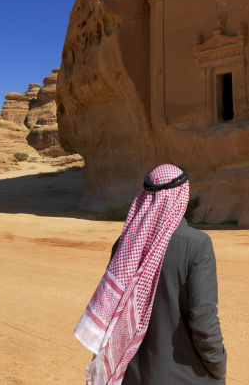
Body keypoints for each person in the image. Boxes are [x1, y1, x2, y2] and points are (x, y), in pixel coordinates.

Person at [74, 164, 227, 385]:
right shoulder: (198, 245)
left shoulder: (124, 245)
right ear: (182, 196)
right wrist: (218, 365)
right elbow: (203, 321)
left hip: (133, 377)